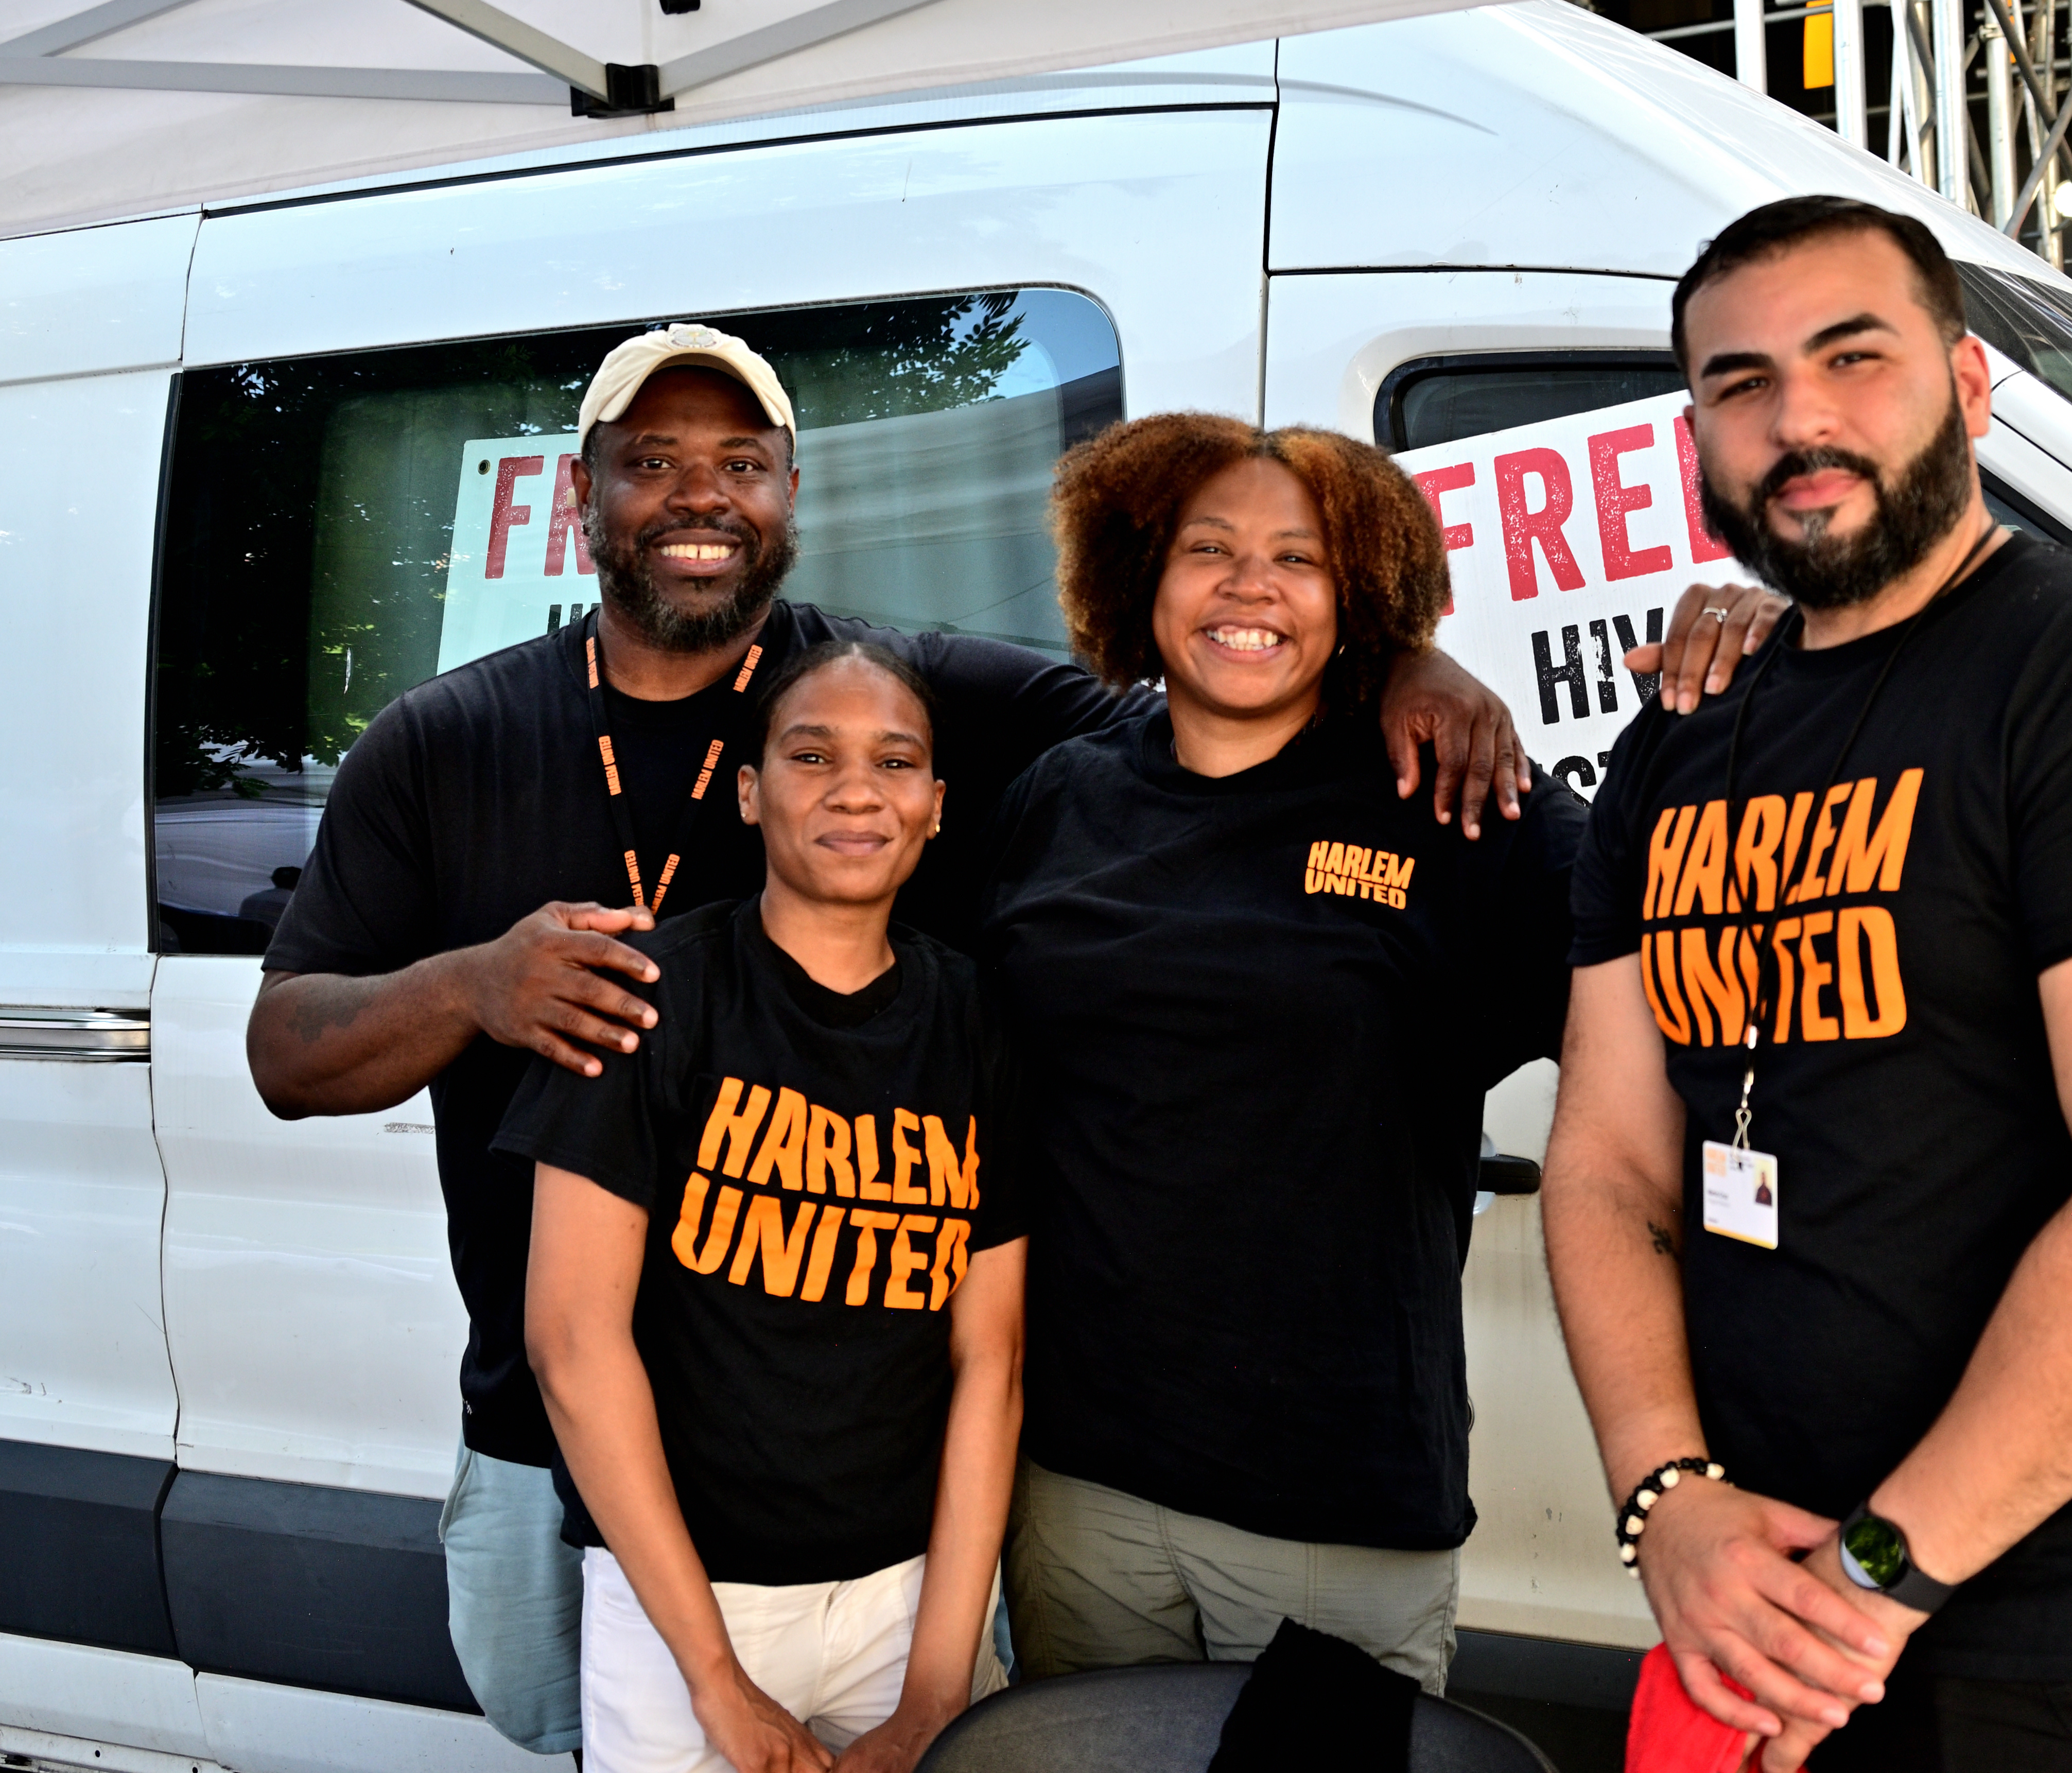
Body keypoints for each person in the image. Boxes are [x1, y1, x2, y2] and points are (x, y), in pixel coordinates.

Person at [240, 319, 1648, 1757]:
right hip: (564, 1434)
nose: (699, 496)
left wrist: (1403, 657)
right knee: (588, 1736)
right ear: (579, 491)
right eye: (650, 462)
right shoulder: (441, 739)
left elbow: (1221, 685)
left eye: (741, 461)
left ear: (794, 490)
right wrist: (472, 986)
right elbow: (288, 1051)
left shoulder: (894, 686)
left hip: (903, 1490)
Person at [1541, 196, 2072, 1772]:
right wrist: (1667, 1503)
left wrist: (1877, 1577)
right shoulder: (1677, 740)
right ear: (1695, 433)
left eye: (1855, 356)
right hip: (1760, 1611)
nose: (1801, 418)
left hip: (2069, 1649)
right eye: (1740, 382)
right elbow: (1609, 1158)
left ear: (1969, 388)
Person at [979, 414, 1586, 1694]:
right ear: (1138, 574)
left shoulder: (1449, 798)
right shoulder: (1058, 799)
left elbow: (1669, 984)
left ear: (1359, 595)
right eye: (1209, 548)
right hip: (1078, 1486)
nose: (1249, 586)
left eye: (1300, 560)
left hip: (1338, 1508)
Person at [507, 641, 1017, 1773]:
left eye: (896, 761)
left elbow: (994, 1359)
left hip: (908, 1597)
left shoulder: (980, 1019)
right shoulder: (650, 997)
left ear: (935, 807)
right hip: (679, 1600)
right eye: (811, 754)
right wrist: (715, 1680)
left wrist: (937, 1689)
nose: (855, 789)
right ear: (750, 791)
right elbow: (572, 1344)